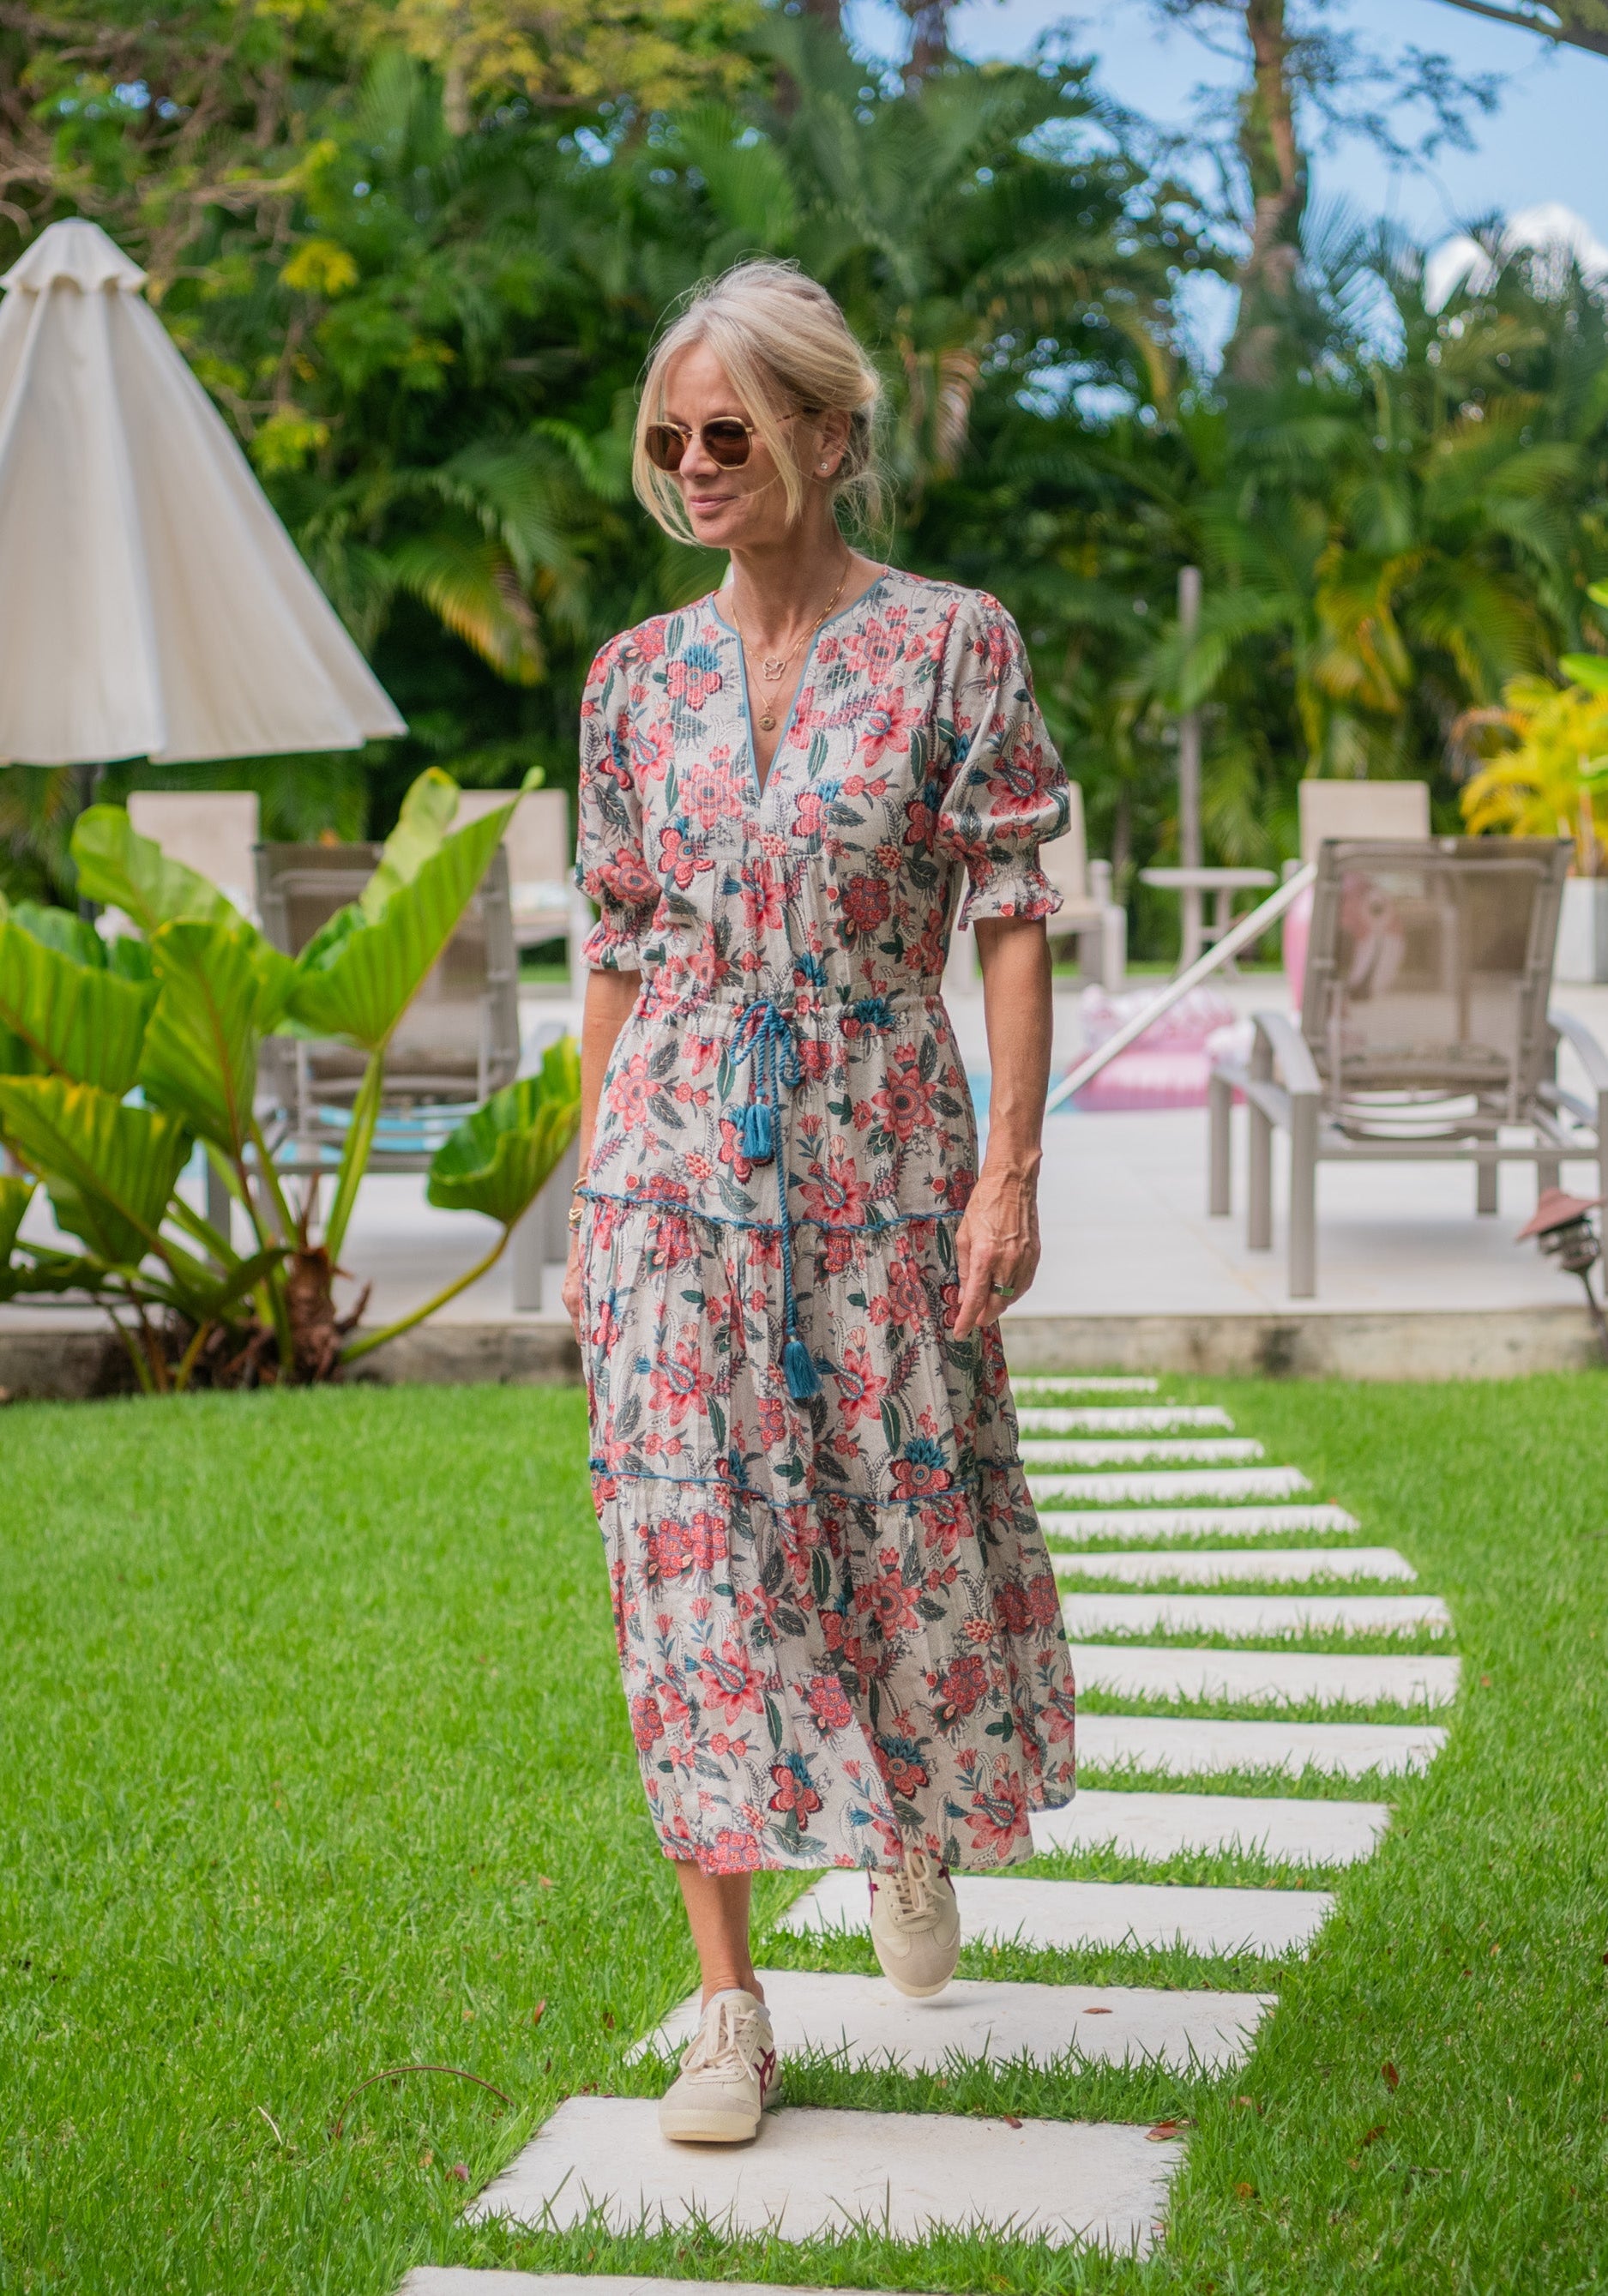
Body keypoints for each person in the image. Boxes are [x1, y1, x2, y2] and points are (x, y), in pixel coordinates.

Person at [563, 258, 1077, 2148]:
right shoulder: (628, 683)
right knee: (686, 1560)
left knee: (889, 1530)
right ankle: (725, 2004)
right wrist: (584, 1187)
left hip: (883, 1159)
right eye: (667, 439)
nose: (694, 466)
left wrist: (1008, 1167)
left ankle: (906, 1822)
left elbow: (1012, 908)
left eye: (731, 434)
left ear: (828, 435)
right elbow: (617, 938)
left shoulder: (952, 646)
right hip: (671, 1169)